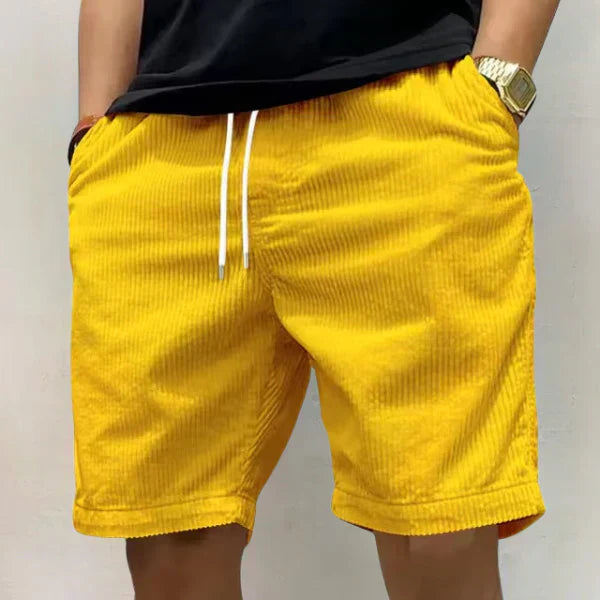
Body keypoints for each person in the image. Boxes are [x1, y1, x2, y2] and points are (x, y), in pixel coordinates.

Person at [66, 1, 559, 598]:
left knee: (440, 528)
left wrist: (497, 83)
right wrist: (94, 129)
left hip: (401, 121)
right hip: (163, 154)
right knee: (169, 537)